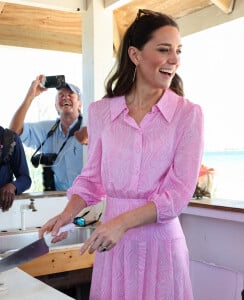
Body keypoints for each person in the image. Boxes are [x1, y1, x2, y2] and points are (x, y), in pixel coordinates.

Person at [39, 9, 204, 300]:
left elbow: (178, 194)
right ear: (135, 55)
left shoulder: (188, 114)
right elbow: (91, 180)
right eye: (164, 50)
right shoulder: (102, 112)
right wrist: (67, 214)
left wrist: (121, 223)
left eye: (178, 51)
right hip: (113, 247)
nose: (174, 60)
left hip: (161, 246)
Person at [9, 74, 88, 191]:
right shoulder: (46, 129)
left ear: (80, 104)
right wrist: (30, 96)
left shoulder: (89, 128)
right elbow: (14, 133)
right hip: (56, 199)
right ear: (56, 105)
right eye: (61, 95)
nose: (65, 98)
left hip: (88, 200)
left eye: (70, 94)